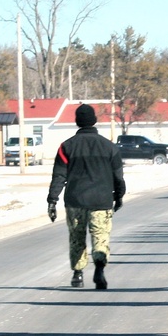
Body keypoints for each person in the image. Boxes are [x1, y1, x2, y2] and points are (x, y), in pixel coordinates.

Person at [47, 103, 125, 290]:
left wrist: (52, 200)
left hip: (75, 200)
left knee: (77, 237)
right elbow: (118, 176)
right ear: (94, 121)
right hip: (101, 200)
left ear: (77, 122)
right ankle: (99, 267)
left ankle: (77, 274)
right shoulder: (109, 147)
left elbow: (59, 175)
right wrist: (119, 196)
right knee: (100, 236)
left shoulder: (66, 147)